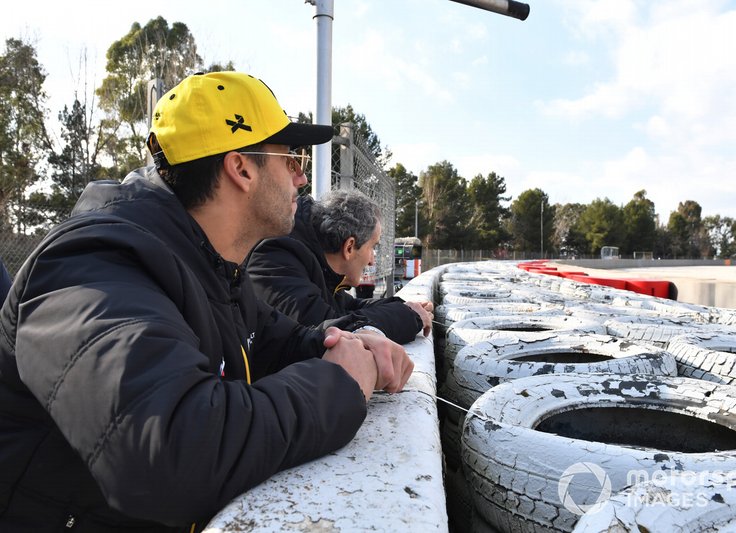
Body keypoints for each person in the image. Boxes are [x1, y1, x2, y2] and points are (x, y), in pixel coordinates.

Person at [0, 71, 413, 532]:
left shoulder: (212, 264)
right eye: (291, 157)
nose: (301, 176)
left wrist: (347, 343)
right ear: (241, 168)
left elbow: (281, 340)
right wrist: (339, 384)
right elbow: (168, 452)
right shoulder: (93, 265)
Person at [246, 189, 433, 344]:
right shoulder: (276, 257)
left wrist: (406, 307)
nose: (372, 261)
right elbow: (328, 330)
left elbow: (349, 307)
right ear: (349, 247)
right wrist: (409, 317)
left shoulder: (316, 262)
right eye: (372, 247)